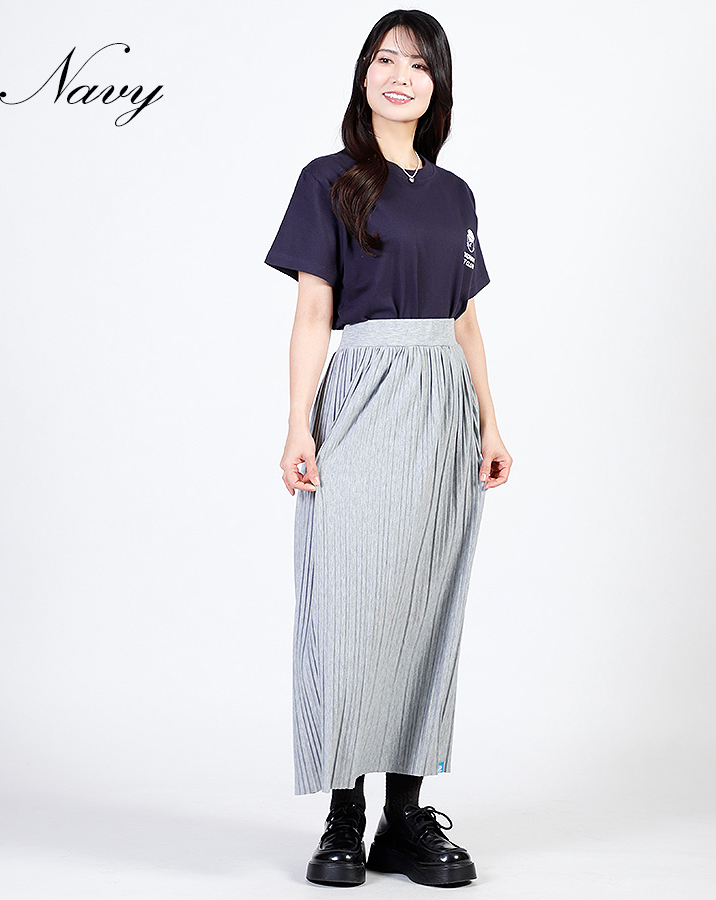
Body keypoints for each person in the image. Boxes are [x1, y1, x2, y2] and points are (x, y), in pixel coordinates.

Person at [265, 9, 512, 888]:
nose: (398, 75)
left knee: (428, 601)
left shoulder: (455, 194)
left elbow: (465, 319)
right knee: (349, 602)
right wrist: (299, 421)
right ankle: (344, 813)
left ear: (437, 85)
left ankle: (404, 818)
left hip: (445, 402)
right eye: (383, 59)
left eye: (417, 63)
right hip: (365, 393)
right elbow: (312, 310)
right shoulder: (328, 179)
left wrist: (490, 421)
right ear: (363, 76)